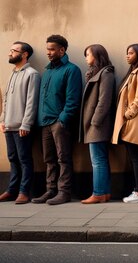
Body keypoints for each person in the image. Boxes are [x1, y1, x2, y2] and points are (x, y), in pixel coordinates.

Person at [32, 34, 82, 205]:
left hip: (59, 123)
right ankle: (50, 190)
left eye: (52, 49)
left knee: (63, 158)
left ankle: (64, 192)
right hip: (44, 123)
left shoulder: (71, 70)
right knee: (49, 160)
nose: (48, 52)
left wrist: (62, 120)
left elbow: (73, 100)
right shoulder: (47, 72)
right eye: (47, 49)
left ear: (62, 50)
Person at [112, 44, 138, 203]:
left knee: (136, 158)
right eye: (126, 53)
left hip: (135, 121)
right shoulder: (133, 72)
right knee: (134, 157)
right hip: (131, 121)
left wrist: (128, 114)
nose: (127, 56)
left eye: (131, 53)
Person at [0, 42, 40, 204]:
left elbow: (32, 101)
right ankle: (12, 190)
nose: (10, 53)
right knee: (13, 158)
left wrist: (26, 124)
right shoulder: (12, 74)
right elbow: (6, 100)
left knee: (24, 159)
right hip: (8, 125)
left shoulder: (32, 74)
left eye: (14, 51)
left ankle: (24, 192)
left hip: (22, 126)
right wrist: (2, 120)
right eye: (10, 50)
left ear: (24, 55)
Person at [79, 44, 116, 204]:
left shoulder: (106, 73)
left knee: (98, 160)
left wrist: (94, 121)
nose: (86, 58)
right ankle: (105, 193)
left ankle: (99, 192)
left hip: (98, 125)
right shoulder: (97, 73)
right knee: (101, 158)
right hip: (94, 124)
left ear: (97, 55)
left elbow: (104, 100)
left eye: (88, 54)